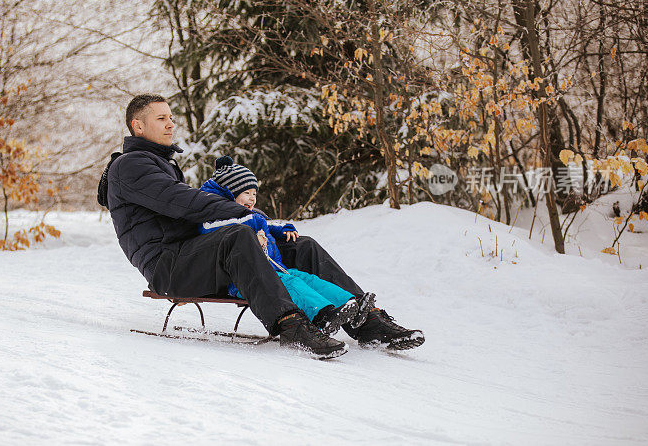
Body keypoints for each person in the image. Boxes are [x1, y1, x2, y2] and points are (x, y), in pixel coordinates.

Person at [100, 94, 423, 358]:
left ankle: (368, 321)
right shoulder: (131, 166)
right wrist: (248, 218)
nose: (170, 123)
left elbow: (193, 207)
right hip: (169, 268)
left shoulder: (159, 163)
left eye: (171, 117)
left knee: (299, 245)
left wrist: (264, 227)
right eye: (161, 118)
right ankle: (291, 324)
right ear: (137, 125)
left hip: (192, 257)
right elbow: (183, 201)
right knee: (237, 235)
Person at [198, 156, 377, 336]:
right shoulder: (217, 214)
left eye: (254, 193)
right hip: (244, 279)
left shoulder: (247, 214)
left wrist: (281, 229)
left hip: (272, 270)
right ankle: (322, 315)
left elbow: (264, 224)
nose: (252, 198)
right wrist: (251, 222)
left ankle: (349, 305)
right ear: (230, 192)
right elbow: (213, 229)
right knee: (291, 282)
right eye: (246, 193)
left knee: (305, 278)